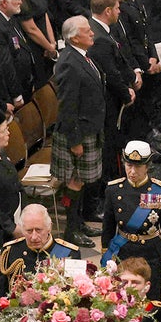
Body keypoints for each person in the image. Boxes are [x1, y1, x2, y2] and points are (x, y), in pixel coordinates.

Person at [53, 16, 107, 246]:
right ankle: (71, 230)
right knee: (74, 182)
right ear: (75, 37)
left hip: (89, 129)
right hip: (76, 133)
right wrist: (74, 140)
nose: (92, 33)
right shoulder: (68, 62)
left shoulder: (81, 56)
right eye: (87, 31)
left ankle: (79, 222)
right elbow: (67, 106)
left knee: (82, 181)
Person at [100, 141, 161, 300]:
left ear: (147, 166)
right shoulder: (113, 190)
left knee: (153, 302)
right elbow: (107, 229)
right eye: (129, 165)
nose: (132, 171)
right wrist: (106, 260)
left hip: (151, 253)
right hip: (124, 251)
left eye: (138, 166)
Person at [0, 204, 80, 280]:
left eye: (38, 230)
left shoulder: (69, 253)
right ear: (22, 230)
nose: (34, 237)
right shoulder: (10, 251)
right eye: (29, 231)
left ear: (49, 227)